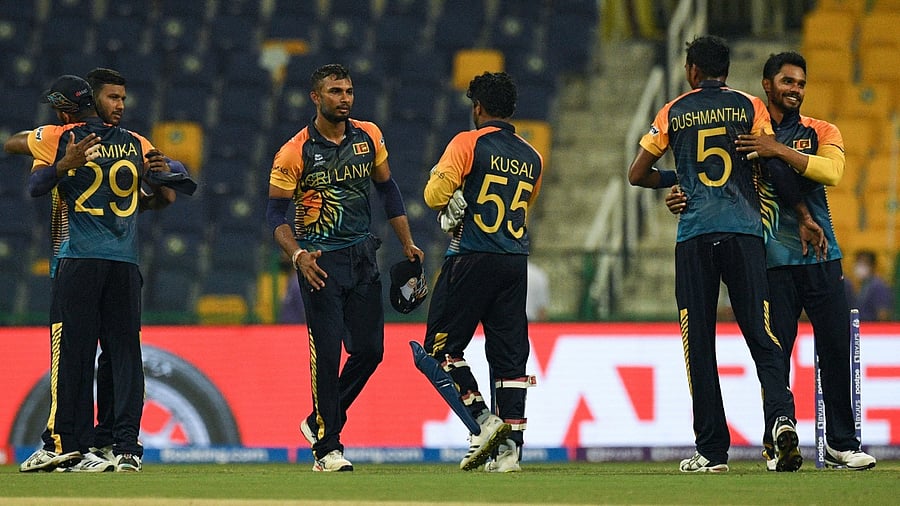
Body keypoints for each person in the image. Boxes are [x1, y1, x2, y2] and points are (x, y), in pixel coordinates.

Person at [669, 51, 878, 470]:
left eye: (800, 83)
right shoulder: (744, 131)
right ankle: (775, 445)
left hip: (822, 257)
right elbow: (712, 176)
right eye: (787, 82)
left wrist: (778, 151)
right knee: (773, 357)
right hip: (771, 262)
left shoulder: (821, 130)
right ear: (768, 85)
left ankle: (841, 444)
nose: (795, 90)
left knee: (835, 351)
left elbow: (832, 173)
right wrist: (679, 192)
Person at [627, 36, 805, 473]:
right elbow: (770, 159)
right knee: (763, 336)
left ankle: (711, 452)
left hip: (694, 238)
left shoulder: (672, 110)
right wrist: (801, 212)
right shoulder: (750, 107)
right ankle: (781, 420)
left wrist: (680, 176)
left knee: (700, 346)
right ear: (726, 70)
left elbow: (637, 174)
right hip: (745, 233)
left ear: (691, 70)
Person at [6, 68, 187, 473]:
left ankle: (67, 444)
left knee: (74, 355)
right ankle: (125, 447)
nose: (120, 105)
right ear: (94, 99)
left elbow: (34, 185)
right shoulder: (137, 143)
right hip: (124, 263)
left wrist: (58, 163)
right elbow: (173, 189)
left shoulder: (61, 137)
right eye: (113, 98)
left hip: (79, 258)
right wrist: (166, 170)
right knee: (125, 356)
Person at [266, 63, 424, 472]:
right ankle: (327, 448)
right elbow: (274, 215)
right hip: (319, 263)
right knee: (328, 353)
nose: (345, 99)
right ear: (315, 97)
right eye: (335, 92)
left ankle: (319, 418)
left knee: (371, 351)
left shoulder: (368, 136)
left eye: (349, 91)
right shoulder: (293, 151)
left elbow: (388, 189)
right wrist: (298, 256)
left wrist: (406, 240)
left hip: (362, 256)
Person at [420, 71, 544, 473]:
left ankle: (483, 419)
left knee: (440, 348)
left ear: (478, 107)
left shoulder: (467, 142)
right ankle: (511, 454)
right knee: (510, 360)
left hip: (471, 254)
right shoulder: (532, 156)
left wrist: (453, 195)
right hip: (514, 259)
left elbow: (433, 194)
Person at [850, 249, 893, 322]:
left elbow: (883, 314)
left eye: (863, 263)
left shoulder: (878, 286)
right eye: (858, 263)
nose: (859, 267)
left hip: (872, 328)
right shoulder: (863, 285)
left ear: (872, 266)